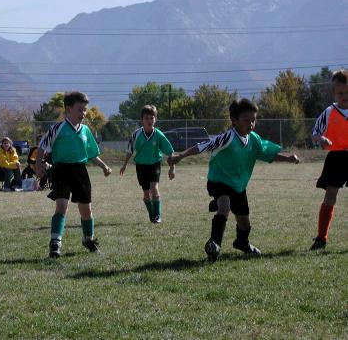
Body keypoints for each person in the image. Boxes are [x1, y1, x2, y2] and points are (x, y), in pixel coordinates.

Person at [168, 98, 299, 262]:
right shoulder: (227, 137)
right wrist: (180, 156)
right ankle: (214, 244)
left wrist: (288, 158)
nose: (251, 124)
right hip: (218, 180)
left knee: (244, 222)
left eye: (253, 120)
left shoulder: (254, 140)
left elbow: (268, 153)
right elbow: (203, 146)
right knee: (225, 206)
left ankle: (242, 243)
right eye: (246, 120)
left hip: (238, 186)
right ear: (234, 120)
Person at [36, 91, 112, 258]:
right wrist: (38, 165)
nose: (83, 114)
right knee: (61, 207)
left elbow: (92, 154)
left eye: (85, 110)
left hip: (80, 172)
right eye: (80, 110)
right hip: (61, 170)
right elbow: (42, 146)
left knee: (86, 211)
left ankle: (88, 239)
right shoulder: (57, 128)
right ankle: (55, 243)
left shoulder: (85, 131)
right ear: (68, 110)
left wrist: (104, 166)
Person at [310, 69, 348, 250]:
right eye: (341, 93)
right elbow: (314, 134)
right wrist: (321, 139)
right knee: (330, 195)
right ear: (334, 93)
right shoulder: (329, 112)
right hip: (336, 159)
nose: (345, 96)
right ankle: (321, 238)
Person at [120, 105, 175, 223]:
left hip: (155, 164)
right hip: (141, 166)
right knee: (146, 194)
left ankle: (157, 216)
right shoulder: (136, 134)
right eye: (147, 118)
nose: (149, 121)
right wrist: (124, 165)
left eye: (152, 118)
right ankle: (152, 214)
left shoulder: (159, 135)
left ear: (155, 119)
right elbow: (130, 150)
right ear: (142, 120)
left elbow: (170, 151)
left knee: (154, 188)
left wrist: (172, 168)